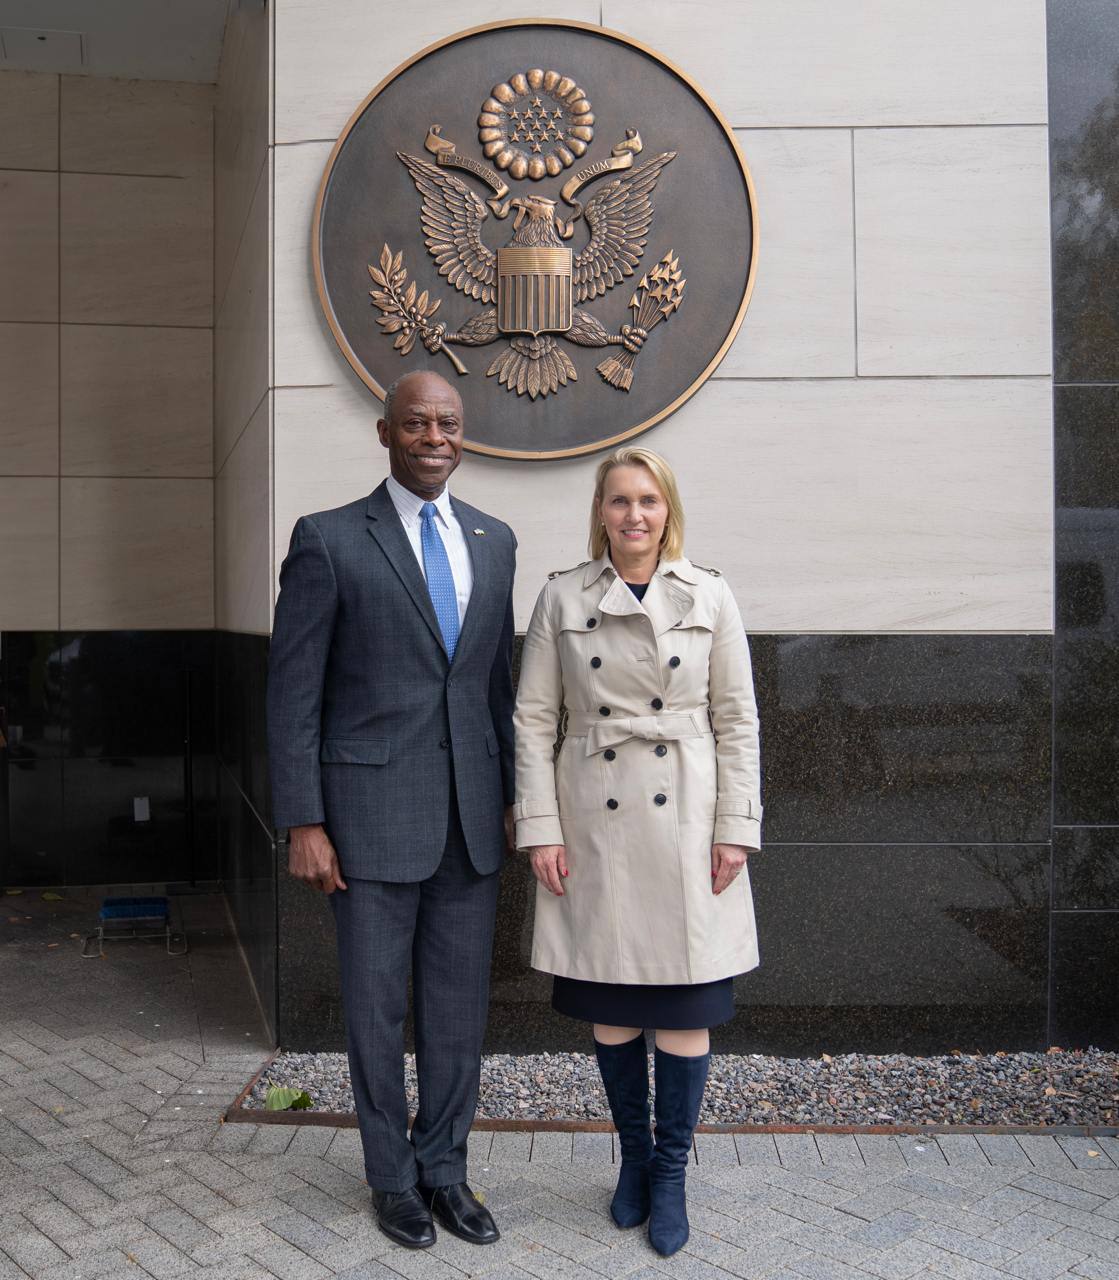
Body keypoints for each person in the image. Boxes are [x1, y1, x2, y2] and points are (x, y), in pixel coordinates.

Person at [267, 371, 516, 1250]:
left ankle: (444, 1170)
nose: (433, 438)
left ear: (463, 433)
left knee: (457, 1012)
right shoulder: (329, 539)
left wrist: (514, 800)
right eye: (415, 423)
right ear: (385, 433)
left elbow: (496, 687)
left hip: (469, 822)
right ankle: (392, 1178)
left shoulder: (494, 540)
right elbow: (292, 693)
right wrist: (303, 821)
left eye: (447, 423)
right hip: (365, 822)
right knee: (375, 1012)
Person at [513, 446, 762, 1257]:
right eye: (619, 500)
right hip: (596, 818)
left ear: (667, 510)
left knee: (686, 1006)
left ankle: (671, 1173)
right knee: (613, 1003)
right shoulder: (562, 596)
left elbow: (737, 719)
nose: (634, 515)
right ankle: (632, 1159)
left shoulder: (709, 593)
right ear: (600, 511)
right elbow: (532, 720)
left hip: (687, 816)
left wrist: (736, 826)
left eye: (648, 500)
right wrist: (540, 827)